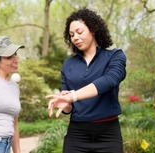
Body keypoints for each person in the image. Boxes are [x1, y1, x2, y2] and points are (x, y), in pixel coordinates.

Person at [46, 8, 126, 153]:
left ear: (93, 29)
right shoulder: (68, 64)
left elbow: (110, 80)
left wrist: (73, 96)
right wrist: (66, 104)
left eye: (79, 32)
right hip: (77, 135)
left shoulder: (115, 56)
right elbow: (68, 104)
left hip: (108, 135)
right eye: (71, 35)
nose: (75, 37)